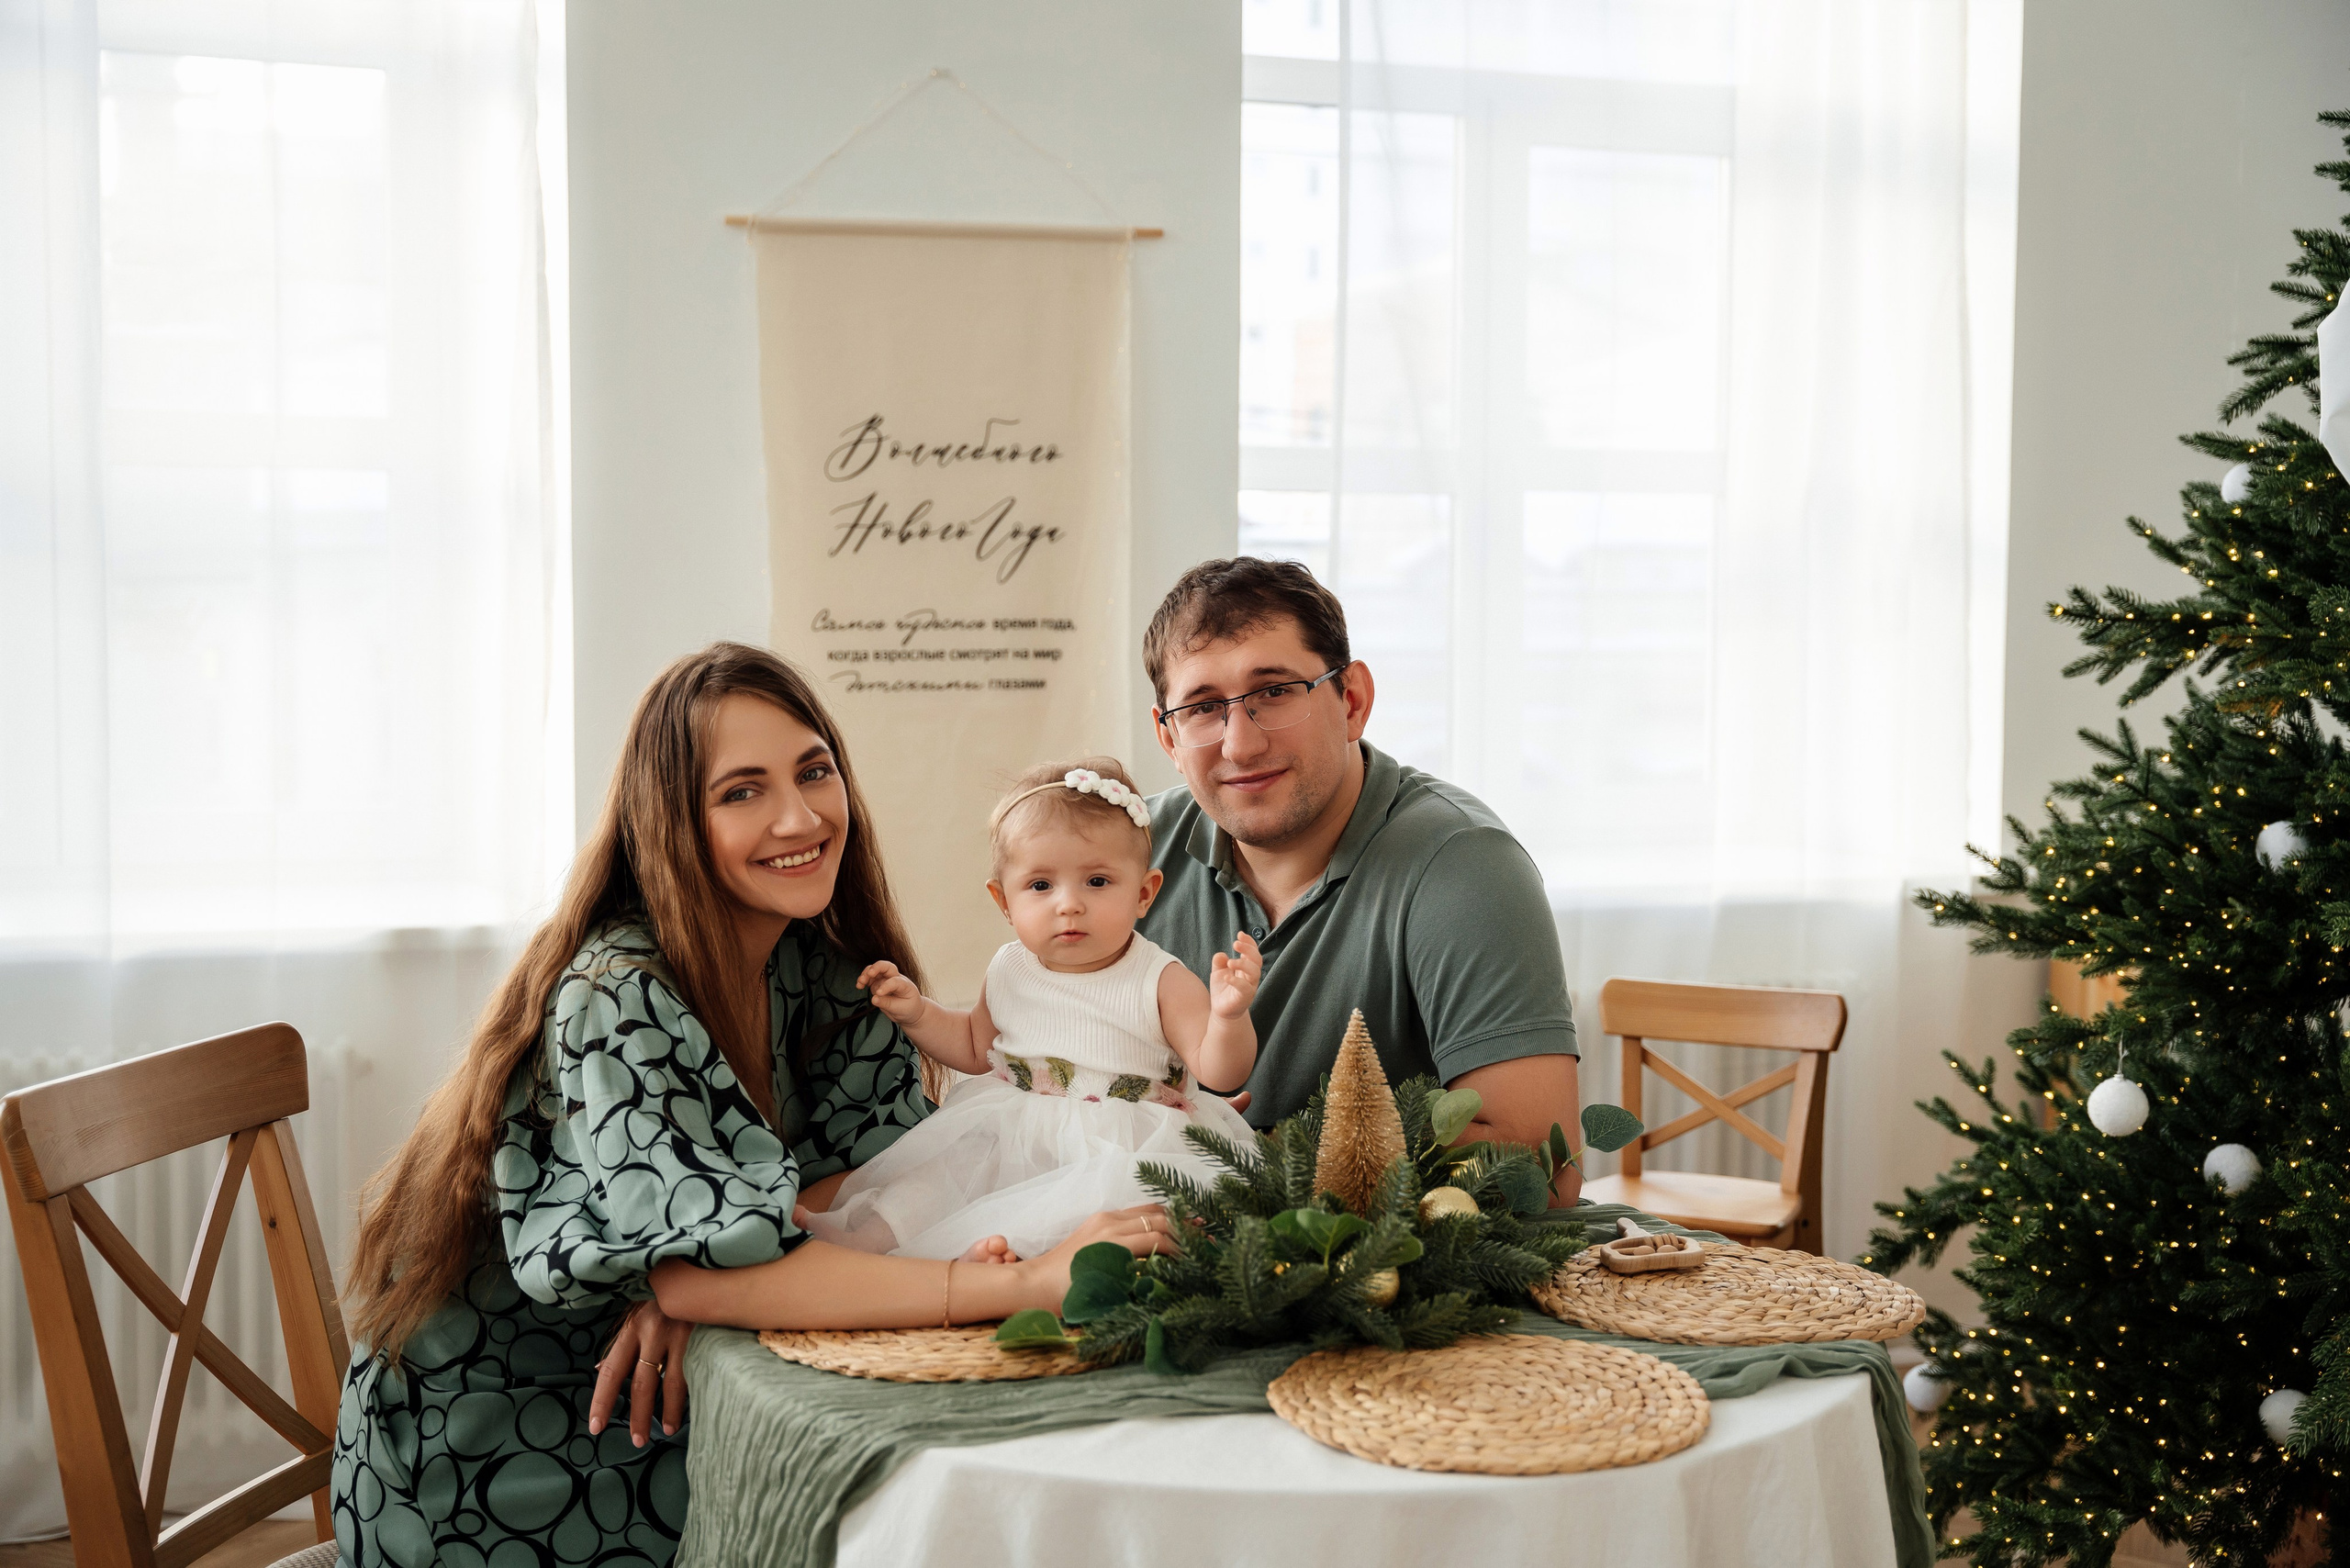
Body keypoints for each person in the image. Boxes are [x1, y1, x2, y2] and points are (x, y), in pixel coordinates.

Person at [333, 644, 1176, 1568]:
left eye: (814, 771)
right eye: (741, 791)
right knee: (887, 1515)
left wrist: (726, 1279)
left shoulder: (824, 964)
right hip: (527, 1433)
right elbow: (704, 1266)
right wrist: (1022, 1281)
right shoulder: (618, 990)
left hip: (686, 1383)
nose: (798, 814)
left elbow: (873, 1176)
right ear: (673, 822)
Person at [1136, 558, 1586, 1203]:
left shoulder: (1466, 868)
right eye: (1204, 707)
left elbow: (1542, 1171)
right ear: (1169, 737)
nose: (1240, 744)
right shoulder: (1123, 861)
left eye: (1275, 692)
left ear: (1352, 701)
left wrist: (1247, 1160)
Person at [803, 757, 1263, 1262]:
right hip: (1012, 1129)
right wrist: (918, 1014)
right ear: (1004, 902)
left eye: (1097, 882)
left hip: (1122, 1146)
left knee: (1110, 1213)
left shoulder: (1160, 979)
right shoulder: (1010, 967)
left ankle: (1016, 1263)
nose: (1068, 904)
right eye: (1041, 886)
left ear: (1144, 893)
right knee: (938, 1179)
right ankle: (865, 1242)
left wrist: (1228, 1017)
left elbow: (1221, 1070)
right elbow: (976, 1048)